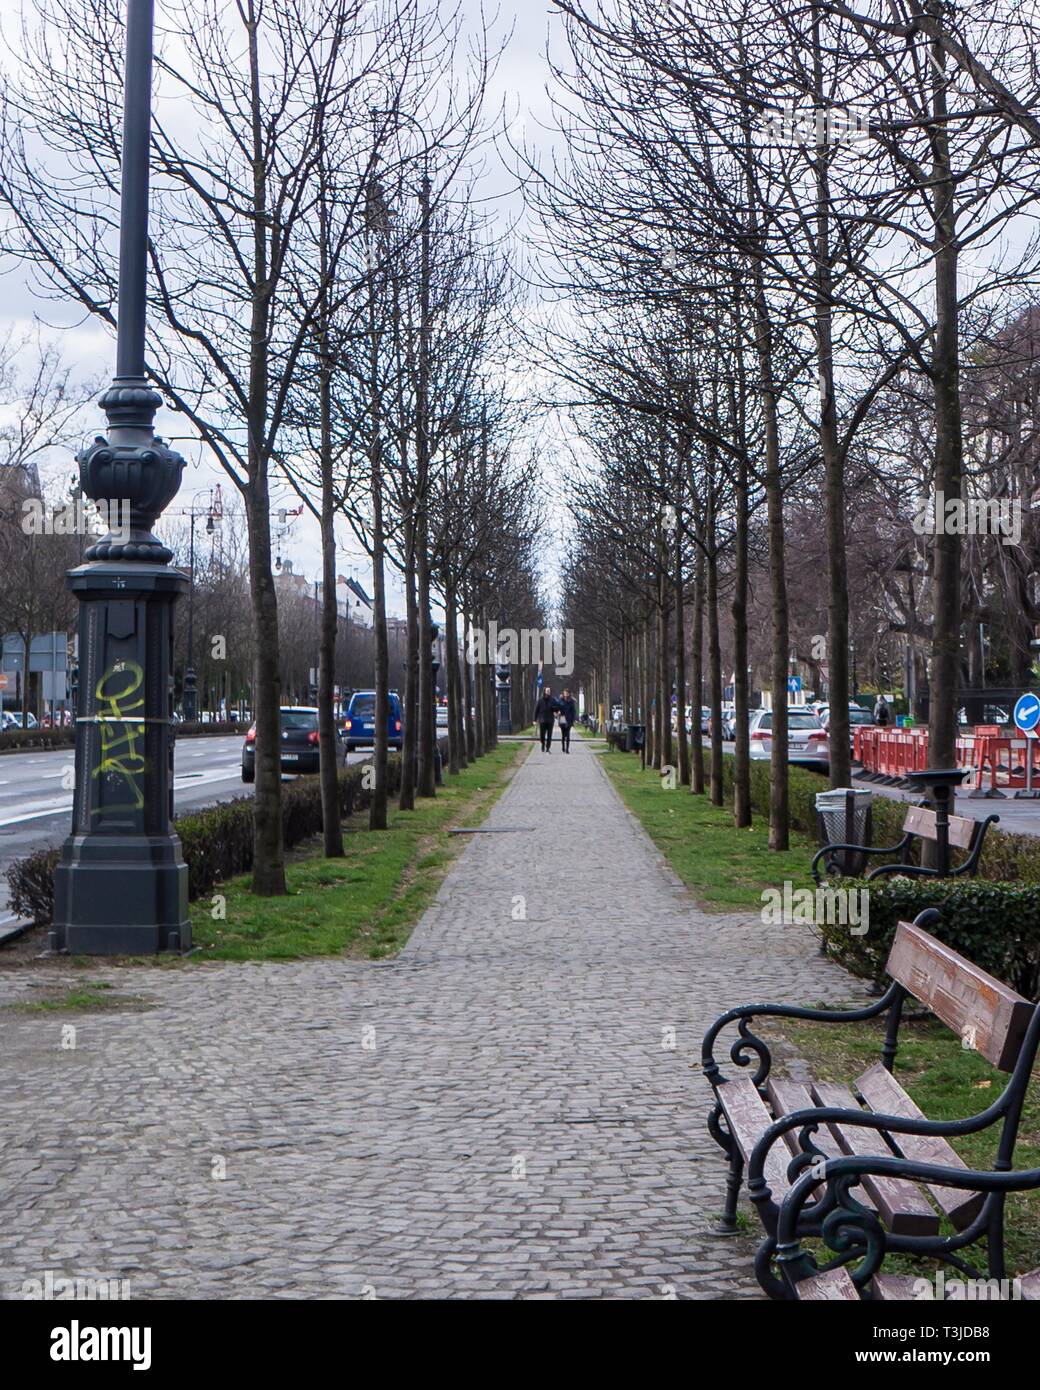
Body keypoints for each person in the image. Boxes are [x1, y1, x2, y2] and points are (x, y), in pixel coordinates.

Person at [534, 686, 559, 751]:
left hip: (550, 720)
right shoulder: (540, 700)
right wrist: (534, 720)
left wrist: (556, 710)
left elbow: (557, 706)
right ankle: (543, 743)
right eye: (547, 690)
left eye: (549, 691)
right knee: (542, 735)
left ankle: (548, 747)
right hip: (542, 720)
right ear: (544, 691)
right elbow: (536, 710)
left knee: (549, 735)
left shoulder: (553, 699)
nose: (548, 692)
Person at [558, 688, 577, 753]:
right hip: (562, 718)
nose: (566, 694)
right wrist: (558, 711)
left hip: (569, 719)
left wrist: (574, 720)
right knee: (563, 735)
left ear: (569, 694)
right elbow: (557, 707)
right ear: (563, 693)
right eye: (565, 693)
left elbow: (573, 711)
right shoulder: (560, 700)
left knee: (568, 734)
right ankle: (563, 746)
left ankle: (567, 749)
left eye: (567, 693)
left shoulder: (571, 701)